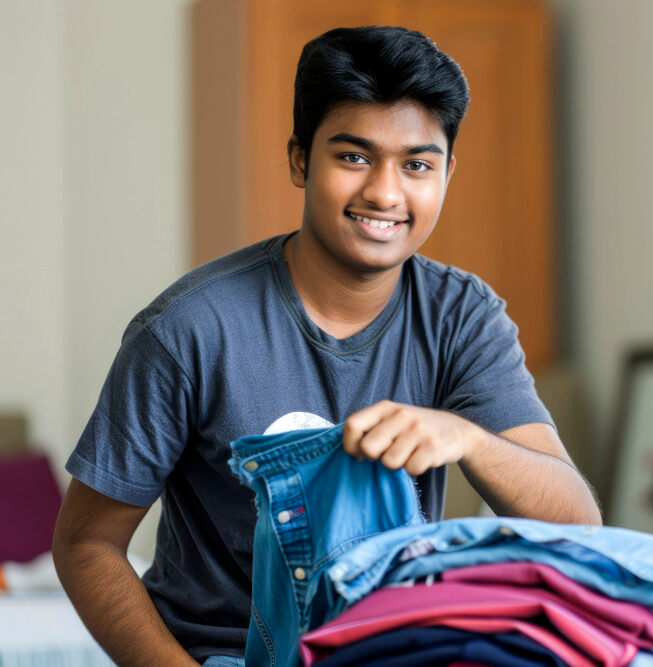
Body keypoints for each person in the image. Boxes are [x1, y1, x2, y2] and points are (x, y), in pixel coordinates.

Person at [52, 25, 601, 666]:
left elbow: (577, 526)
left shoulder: (462, 315)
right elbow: (86, 543)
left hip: (400, 650)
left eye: (417, 165)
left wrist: (470, 439)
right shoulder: (187, 330)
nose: (386, 194)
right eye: (354, 157)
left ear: (448, 172)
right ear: (299, 159)